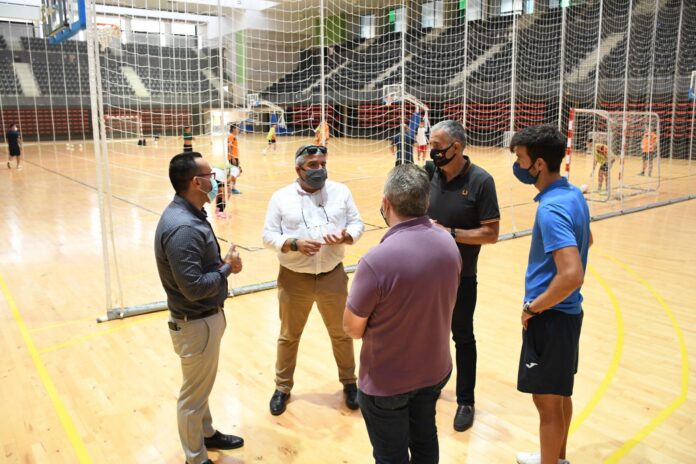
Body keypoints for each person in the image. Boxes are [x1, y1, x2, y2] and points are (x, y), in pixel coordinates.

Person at [343, 164, 462, 464]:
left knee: (390, 457)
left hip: (387, 382)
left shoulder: (375, 261)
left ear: (386, 203)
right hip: (434, 371)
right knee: (425, 441)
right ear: (426, 201)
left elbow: (352, 328)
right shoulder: (449, 243)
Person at [155, 151, 245, 464]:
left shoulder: (190, 214)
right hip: (196, 323)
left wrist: (221, 265)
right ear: (196, 182)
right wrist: (227, 268)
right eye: (211, 175)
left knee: (200, 386)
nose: (216, 179)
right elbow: (193, 288)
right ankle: (195, 458)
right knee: (192, 396)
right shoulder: (184, 228)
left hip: (201, 320)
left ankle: (206, 433)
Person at [509, 125, 592, 464]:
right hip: (568, 315)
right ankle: (556, 458)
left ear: (539, 164)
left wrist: (533, 307)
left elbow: (572, 274)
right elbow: (588, 240)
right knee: (559, 395)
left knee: (546, 404)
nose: (517, 165)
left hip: (551, 318)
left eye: (520, 159)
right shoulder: (572, 194)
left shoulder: (550, 208)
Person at [262, 144, 364, 416]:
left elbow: (357, 223)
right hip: (294, 280)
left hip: (333, 275)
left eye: (323, 164)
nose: (320, 169)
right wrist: (293, 243)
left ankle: (349, 383)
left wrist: (346, 236)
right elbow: (268, 236)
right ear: (299, 169)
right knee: (289, 336)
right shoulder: (281, 198)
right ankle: (282, 387)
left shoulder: (341, 192)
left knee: (341, 333)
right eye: (313, 165)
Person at [425, 120, 500, 432]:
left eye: (437, 146)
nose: (432, 152)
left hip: (460, 276)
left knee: (463, 336)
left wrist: (450, 233)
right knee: (428, 334)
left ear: (456, 147)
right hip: (424, 275)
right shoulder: (428, 172)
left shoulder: (481, 181)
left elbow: (491, 233)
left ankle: (465, 400)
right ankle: (427, 386)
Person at [226, 125, 242, 194]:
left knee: (235, 172)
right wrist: (233, 158)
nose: (238, 130)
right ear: (233, 129)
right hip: (233, 158)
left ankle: (230, 187)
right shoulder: (231, 136)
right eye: (237, 129)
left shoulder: (233, 136)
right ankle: (233, 188)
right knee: (235, 173)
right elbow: (229, 147)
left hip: (235, 157)